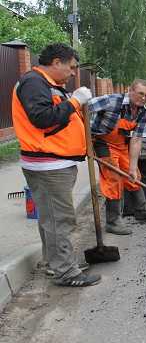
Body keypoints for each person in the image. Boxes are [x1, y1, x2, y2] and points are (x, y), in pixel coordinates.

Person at [12, 43, 101, 287]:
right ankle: (65, 272)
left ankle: (56, 263)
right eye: (71, 67)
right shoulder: (34, 82)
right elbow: (43, 119)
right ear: (57, 62)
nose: (73, 73)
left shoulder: (49, 85)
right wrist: (74, 102)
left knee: (52, 217)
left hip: (56, 163)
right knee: (59, 219)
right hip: (47, 165)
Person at [88, 79, 146, 235]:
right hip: (103, 143)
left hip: (123, 144)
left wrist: (132, 167)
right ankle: (113, 222)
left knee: (134, 175)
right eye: (140, 93)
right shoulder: (112, 100)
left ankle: (141, 210)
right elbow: (83, 107)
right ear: (131, 91)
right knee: (113, 178)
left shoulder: (143, 112)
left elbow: (136, 140)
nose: (143, 98)